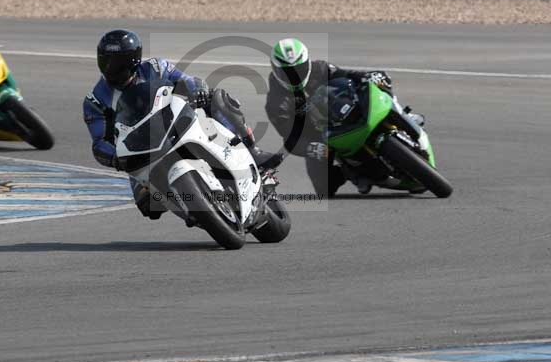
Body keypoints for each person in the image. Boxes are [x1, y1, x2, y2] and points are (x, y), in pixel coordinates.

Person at [83, 29, 283, 220]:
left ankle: (251, 150)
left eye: (118, 63)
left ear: (133, 60)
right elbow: (100, 141)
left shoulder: (155, 67)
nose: (111, 68)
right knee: (148, 204)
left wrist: (198, 90)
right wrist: (114, 158)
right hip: (139, 151)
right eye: (106, 60)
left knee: (216, 98)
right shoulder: (96, 100)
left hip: (173, 123)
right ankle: (195, 210)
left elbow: (187, 80)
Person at [264, 37, 411, 198]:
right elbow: (291, 139)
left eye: (298, 69)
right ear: (276, 70)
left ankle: (401, 116)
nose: (294, 77)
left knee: (379, 83)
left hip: (344, 110)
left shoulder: (320, 68)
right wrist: (313, 148)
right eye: (287, 73)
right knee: (324, 189)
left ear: (307, 63)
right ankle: (349, 171)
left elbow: (349, 76)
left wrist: (368, 77)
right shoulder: (276, 104)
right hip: (320, 136)